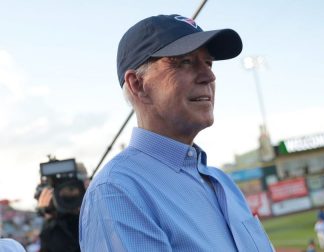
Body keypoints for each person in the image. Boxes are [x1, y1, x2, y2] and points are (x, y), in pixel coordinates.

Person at [79, 14, 274, 251]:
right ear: (137, 84)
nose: (209, 76)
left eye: (209, 63)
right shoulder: (117, 191)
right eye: (184, 62)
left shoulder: (223, 182)